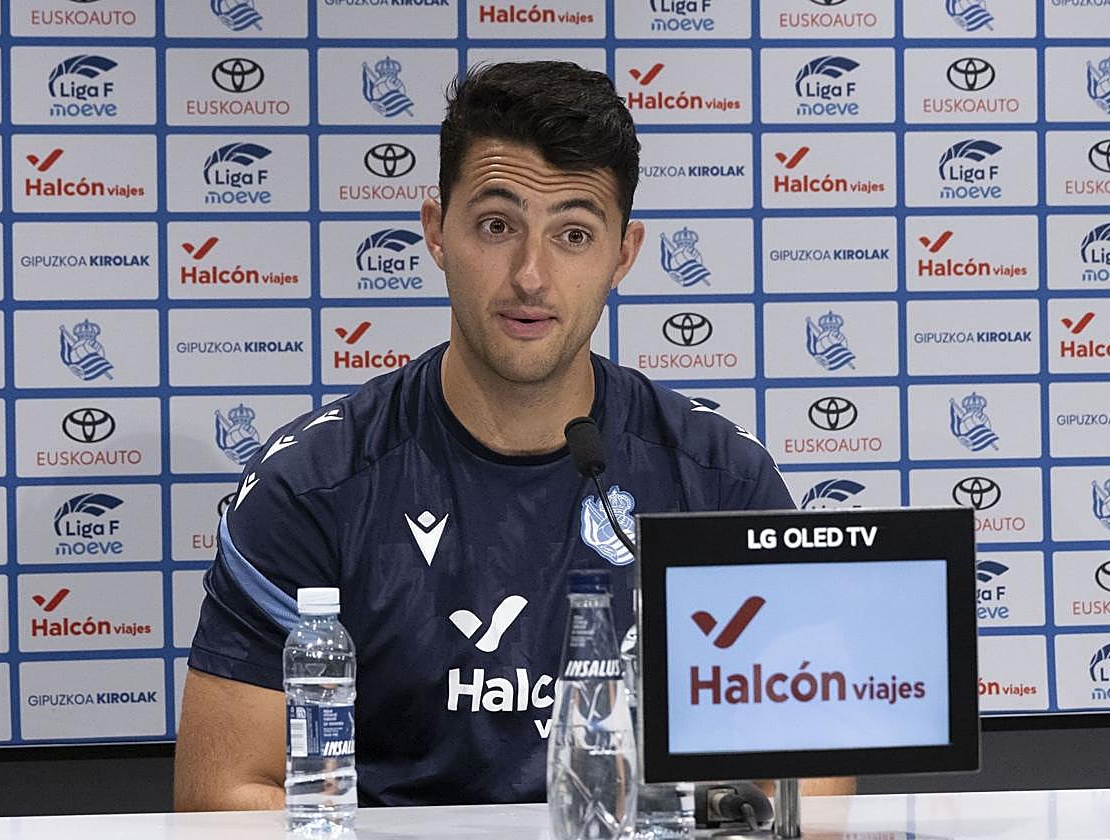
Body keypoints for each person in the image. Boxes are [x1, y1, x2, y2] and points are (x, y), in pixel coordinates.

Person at [174, 61, 847, 811]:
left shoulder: (720, 481)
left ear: (623, 254)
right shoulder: (313, 488)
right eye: (497, 227)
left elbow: (807, 781)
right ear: (436, 232)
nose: (530, 275)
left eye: (573, 234)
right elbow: (226, 795)